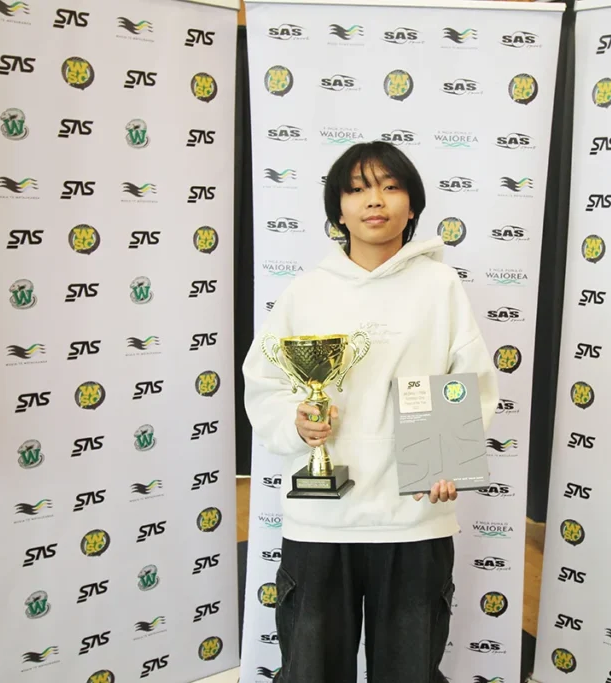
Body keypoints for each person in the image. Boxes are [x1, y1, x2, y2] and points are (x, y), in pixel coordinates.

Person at [242, 141, 498, 682]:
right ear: (338, 210)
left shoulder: (440, 286)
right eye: (357, 190)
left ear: (412, 204)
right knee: (311, 671)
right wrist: (296, 421)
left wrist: (447, 458)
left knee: (409, 672)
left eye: (390, 186)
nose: (374, 200)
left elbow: (470, 381)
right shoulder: (306, 291)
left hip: (414, 517)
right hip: (321, 519)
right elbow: (264, 381)